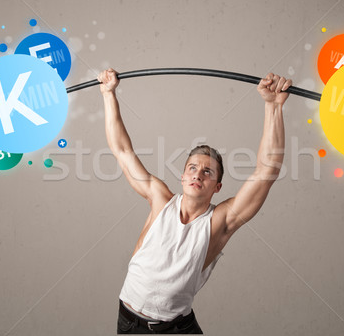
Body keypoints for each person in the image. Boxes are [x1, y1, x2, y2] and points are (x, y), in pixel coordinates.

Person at [97, 68, 292, 334]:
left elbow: (267, 171)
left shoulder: (220, 222)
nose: (197, 174)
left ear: (217, 187)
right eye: (192, 168)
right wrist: (108, 94)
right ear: (182, 176)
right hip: (130, 322)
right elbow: (121, 150)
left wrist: (273, 107)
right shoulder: (160, 199)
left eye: (207, 172)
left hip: (176, 328)